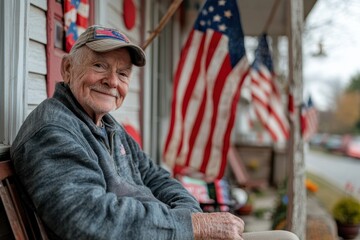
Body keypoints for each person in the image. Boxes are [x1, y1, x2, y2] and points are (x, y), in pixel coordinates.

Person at [10, 25, 245, 240]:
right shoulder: (53, 131)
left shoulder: (107, 125)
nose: (112, 81)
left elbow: (155, 176)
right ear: (68, 68)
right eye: (99, 65)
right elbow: (88, 218)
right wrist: (191, 226)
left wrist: (188, 216)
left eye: (122, 73)